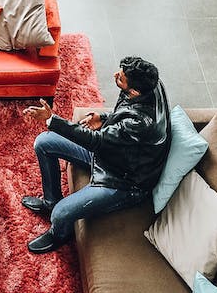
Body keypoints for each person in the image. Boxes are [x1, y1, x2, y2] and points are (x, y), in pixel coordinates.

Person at [20, 56, 171, 254]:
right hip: (113, 154)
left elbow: (95, 141)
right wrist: (104, 117)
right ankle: (50, 201)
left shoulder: (141, 124)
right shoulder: (151, 86)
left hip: (124, 182)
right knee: (44, 142)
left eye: (121, 78)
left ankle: (60, 234)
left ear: (133, 91)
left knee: (61, 213)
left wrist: (52, 120)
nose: (115, 75)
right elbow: (126, 114)